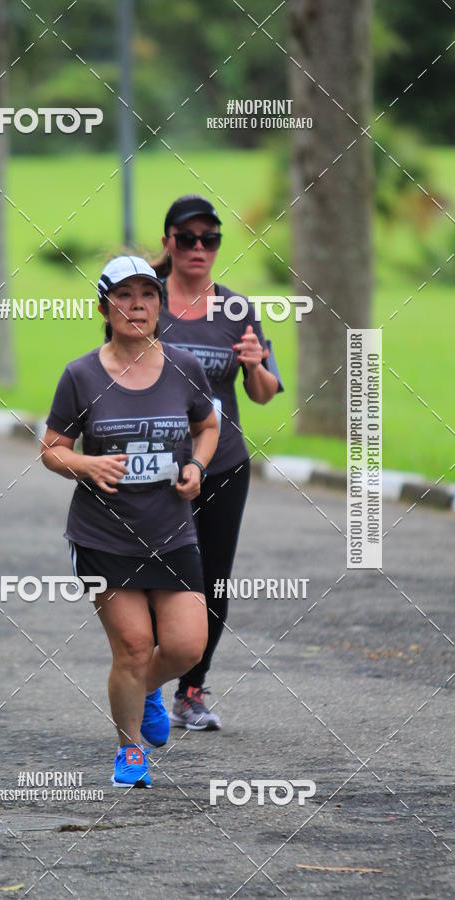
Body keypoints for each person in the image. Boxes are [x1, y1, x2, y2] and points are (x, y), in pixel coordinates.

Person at [41, 255, 219, 787]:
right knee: (135, 646)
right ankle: (130, 750)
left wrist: (196, 465)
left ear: (161, 305)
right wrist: (87, 464)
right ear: (104, 307)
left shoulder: (185, 366)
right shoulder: (81, 375)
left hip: (171, 530)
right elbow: (52, 449)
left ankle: (143, 690)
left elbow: (208, 426)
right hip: (105, 535)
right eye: (124, 295)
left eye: (147, 294)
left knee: (188, 646)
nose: (136, 304)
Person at [152, 194, 284, 731]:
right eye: (188, 239)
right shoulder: (145, 301)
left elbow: (265, 391)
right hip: (156, 466)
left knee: (213, 580)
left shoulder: (236, 309)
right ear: (169, 243)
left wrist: (254, 365)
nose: (199, 248)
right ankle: (145, 680)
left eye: (210, 240)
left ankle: (190, 690)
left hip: (223, 464)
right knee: (158, 577)